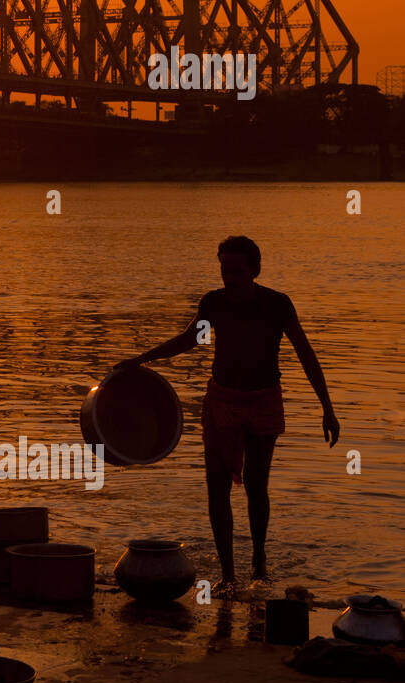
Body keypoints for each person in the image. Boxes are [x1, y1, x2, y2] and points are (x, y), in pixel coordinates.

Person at [115, 236, 340, 597]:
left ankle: (259, 562)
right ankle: (228, 574)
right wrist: (141, 360)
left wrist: (327, 408)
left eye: (237, 271)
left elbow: (305, 353)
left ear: (255, 270)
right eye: (224, 269)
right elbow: (189, 340)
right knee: (217, 488)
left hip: (264, 400)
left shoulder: (276, 304)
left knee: (256, 484)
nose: (229, 277)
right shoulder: (214, 303)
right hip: (222, 400)